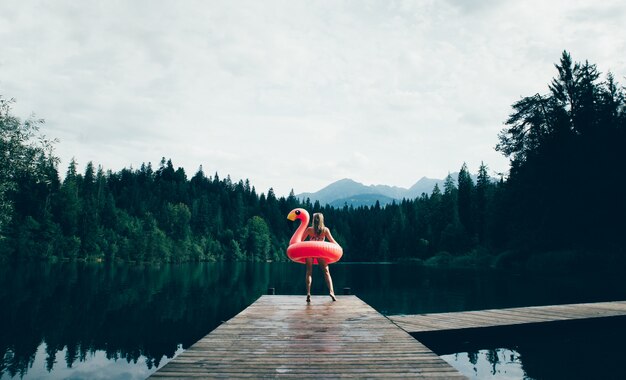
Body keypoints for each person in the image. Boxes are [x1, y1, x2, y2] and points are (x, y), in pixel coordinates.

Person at [302, 212, 337, 303]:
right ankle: (331, 292)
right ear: (322, 220)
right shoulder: (325, 230)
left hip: (310, 251)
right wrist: (339, 248)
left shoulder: (309, 229)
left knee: (309, 271)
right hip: (320, 252)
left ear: (313, 220)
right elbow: (333, 241)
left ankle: (308, 293)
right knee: (326, 271)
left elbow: (300, 240)